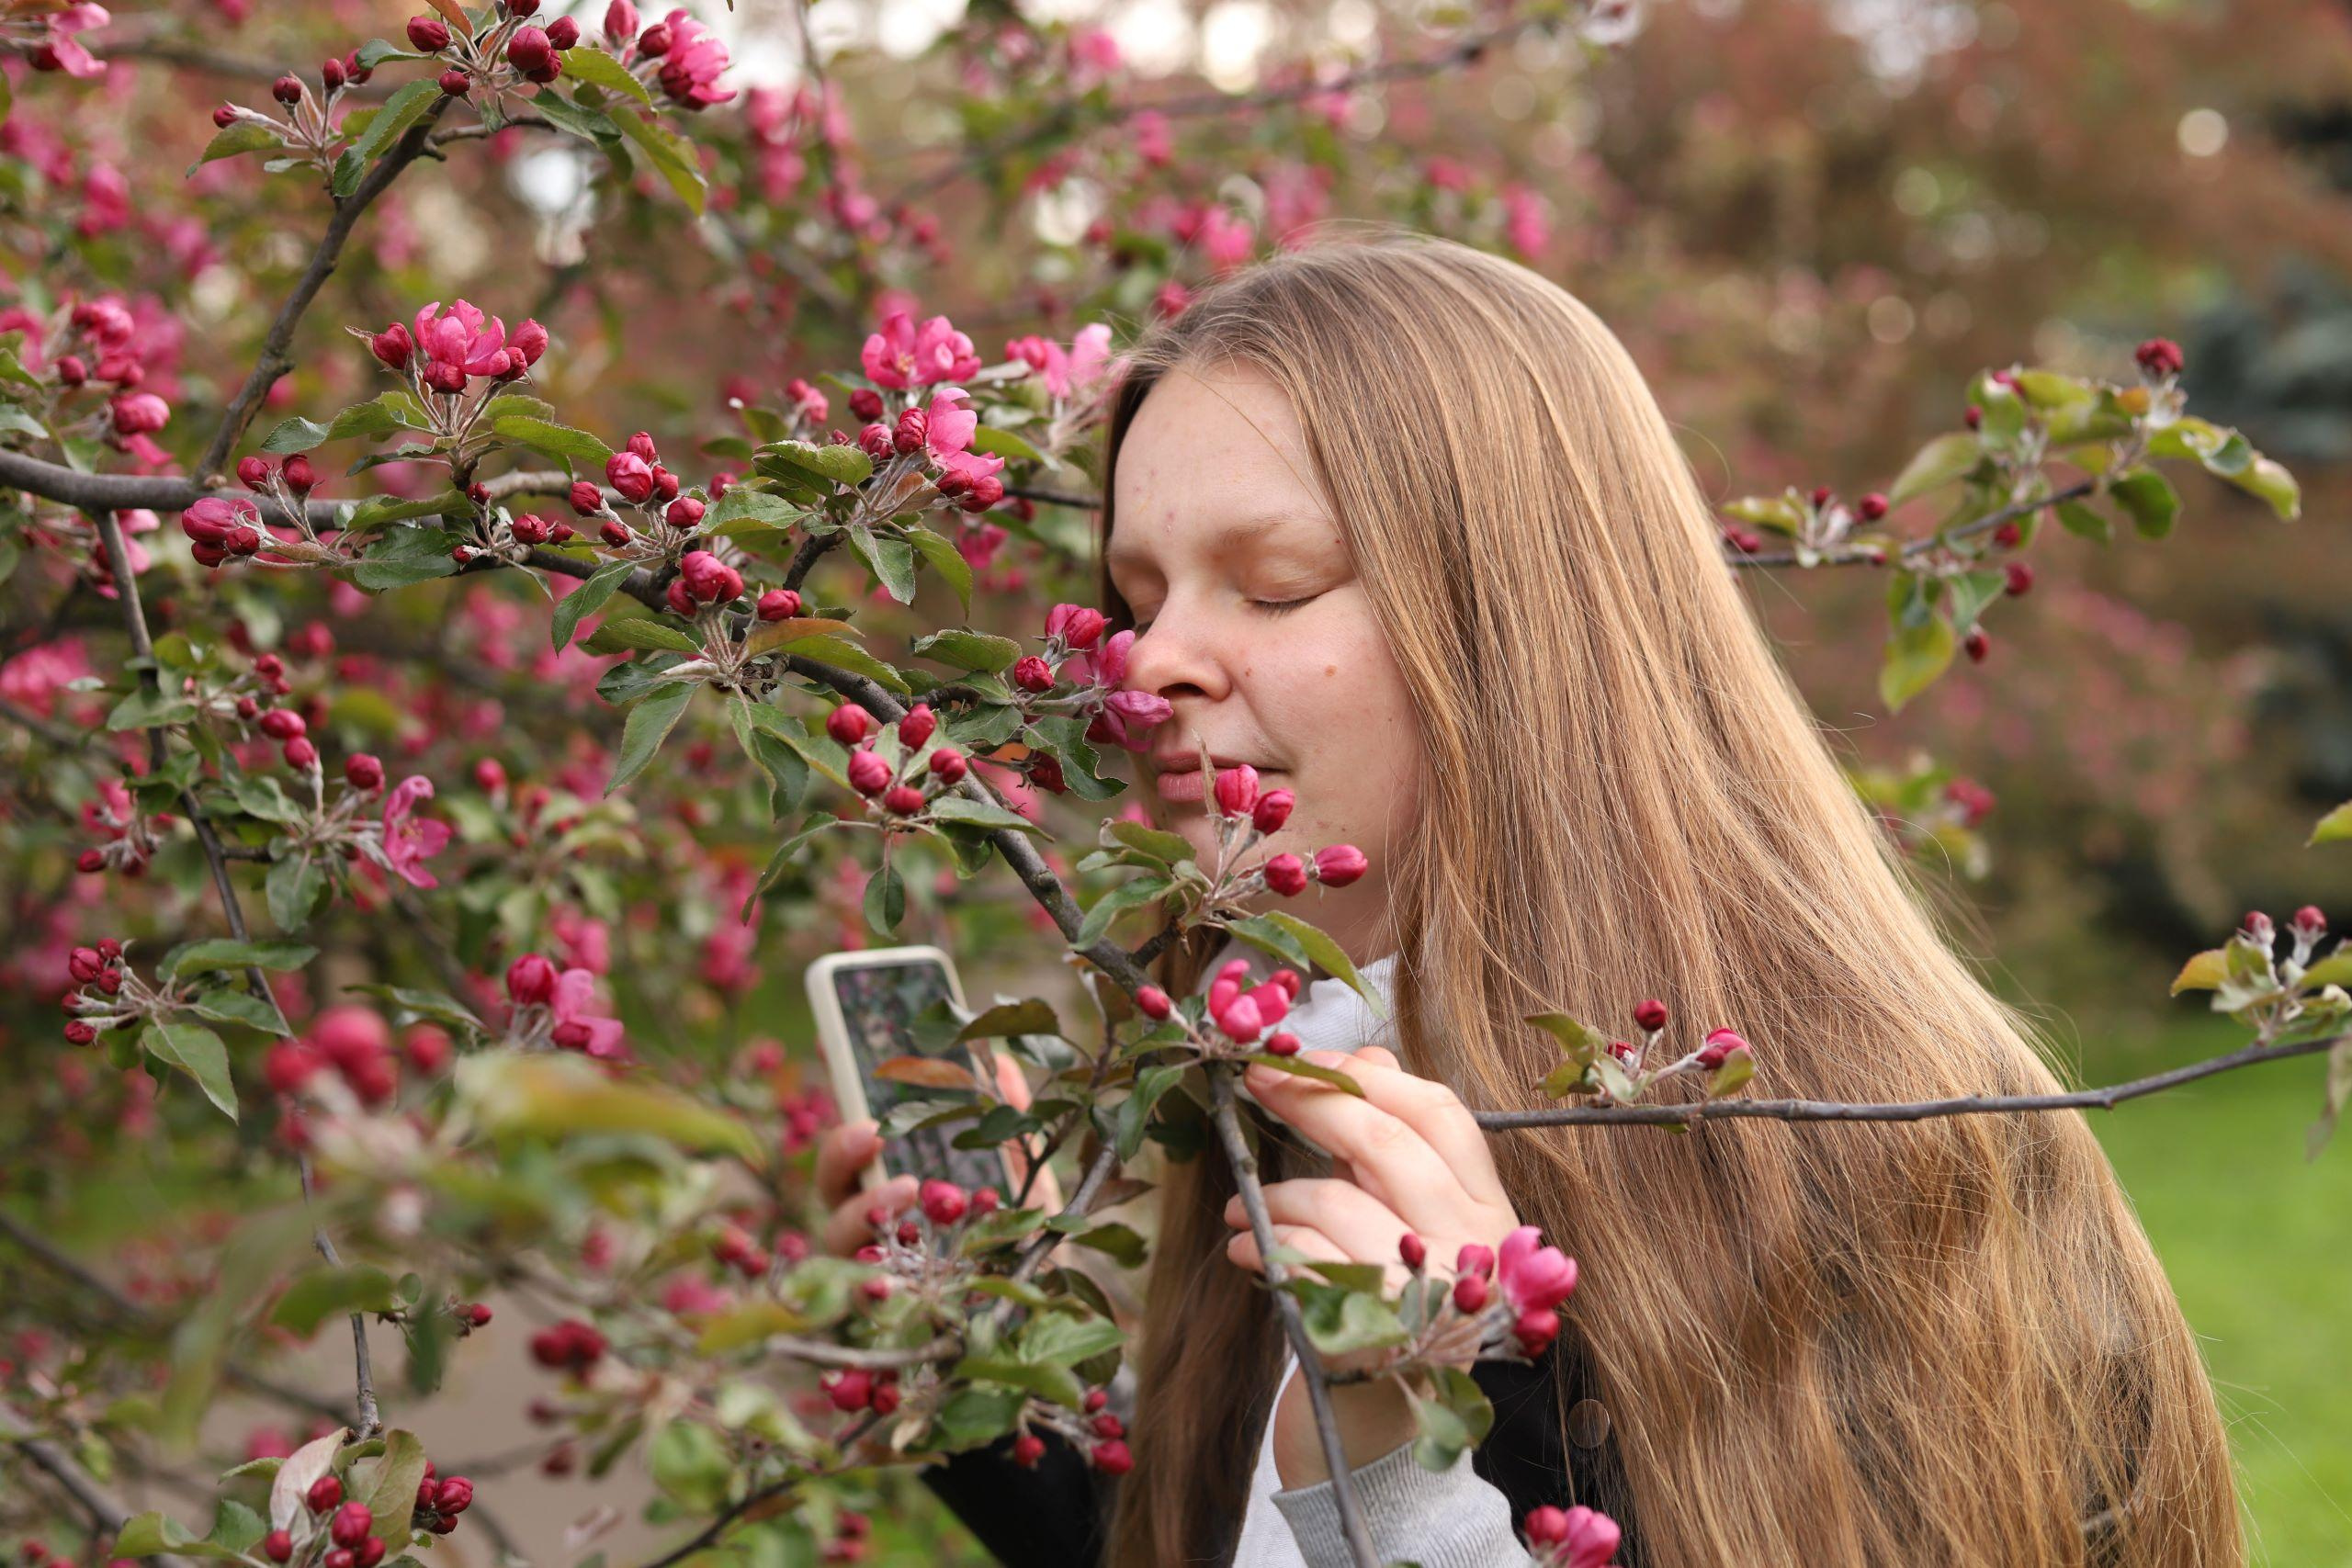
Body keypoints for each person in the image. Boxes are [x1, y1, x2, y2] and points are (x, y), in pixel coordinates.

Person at [813, 230, 2242, 1567]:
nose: (1146, 664)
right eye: (1136, 599)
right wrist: (1002, 1394)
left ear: (1517, 624)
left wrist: (1432, 1441)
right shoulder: (1292, 1065)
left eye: (1275, 580)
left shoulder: (1863, 1165)